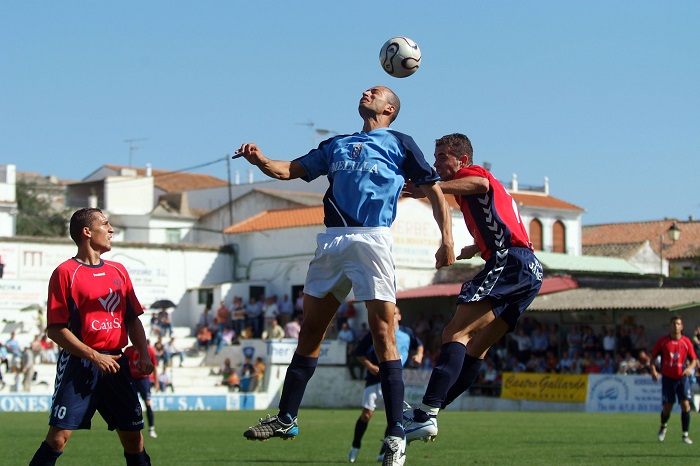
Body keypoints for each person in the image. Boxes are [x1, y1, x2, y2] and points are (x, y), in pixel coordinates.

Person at [237, 85, 454, 466]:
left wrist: (447, 239)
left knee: (384, 333)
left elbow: (434, 191)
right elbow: (289, 170)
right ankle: (287, 417)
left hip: (372, 240)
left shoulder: (400, 143)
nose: (367, 92)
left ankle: (395, 433)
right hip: (332, 242)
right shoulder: (336, 144)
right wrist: (260, 160)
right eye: (367, 90)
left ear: (389, 108)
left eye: (377, 92)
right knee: (310, 331)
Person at [401, 133, 543, 445]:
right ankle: (428, 413)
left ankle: (425, 414)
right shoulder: (478, 196)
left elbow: (481, 185)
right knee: (476, 348)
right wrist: (474, 247)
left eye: (442, 157)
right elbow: (503, 224)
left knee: (454, 334)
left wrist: (428, 189)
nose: (436, 163)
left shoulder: (474, 176)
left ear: (462, 161)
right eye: (435, 157)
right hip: (530, 270)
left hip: (510, 263)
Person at [28, 207, 154, 466]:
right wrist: (94, 356)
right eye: (105, 224)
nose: (111, 230)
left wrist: (142, 353)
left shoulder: (118, 271)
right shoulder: (65, 272)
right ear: (87, 231)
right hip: (79, 363)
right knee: (58, 438)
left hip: (117, 364)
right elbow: (55, 329)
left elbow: (132, 318)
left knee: (134, 440)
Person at [348, 306, 423, 463]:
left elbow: (419, 345)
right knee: (367, 415)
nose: (392, 316)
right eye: (390, 313)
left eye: (394, 314)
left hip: (394, 380)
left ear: (399, 316)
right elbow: (358, 353)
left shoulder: (407, 333)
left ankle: (384, 452)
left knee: (394, 416)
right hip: (375, 379)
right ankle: (355, 446)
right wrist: (370, 366)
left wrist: (419, 356)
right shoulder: (377, 331)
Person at [651, 315, 697, 444]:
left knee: (685, 404)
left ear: (681, 326)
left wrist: (689, 368)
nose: (675, 326)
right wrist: (654, 371)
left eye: (678, 324)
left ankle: (685, 435)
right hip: (668, 379)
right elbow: (652, 359)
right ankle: (663, 426)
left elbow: (694, 360)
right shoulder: (663, 341)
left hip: (682, 378)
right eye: (673, 324)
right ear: (670, 326)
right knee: (667, 407)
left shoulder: (686, 342)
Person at [124, 342, 159, 439]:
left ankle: (151, 428)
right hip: (132, 379)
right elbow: (124, 365)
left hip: (144, 380)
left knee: (148, 403)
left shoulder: (149, 350)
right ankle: (131, 428)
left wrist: (156, 382)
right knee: (130, 405)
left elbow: (154, 365)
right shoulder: (129, 350)